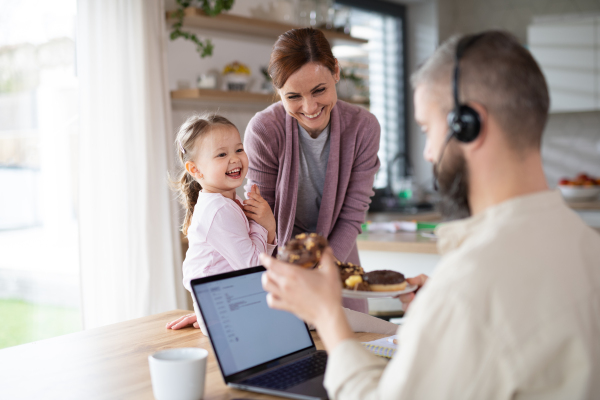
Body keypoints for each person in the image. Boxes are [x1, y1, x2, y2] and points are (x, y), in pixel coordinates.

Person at [260, 31, 600, 399]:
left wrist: (329, 318)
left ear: (469, 126)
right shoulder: (587, 247)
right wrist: (438, 322)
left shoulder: (466, 289)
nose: (427, 152)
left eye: (427, 129)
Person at [244, 27, 381, 313]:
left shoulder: (363, 127)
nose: (310, 107)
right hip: (281, 265)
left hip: (339, 261)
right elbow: (261, 217)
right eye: (293, 96)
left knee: (349, 350)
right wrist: (297, 271)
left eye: (319, 90)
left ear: (336, 72)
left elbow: (353, 214)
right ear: (277, 90)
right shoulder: (264, 131)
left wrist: (323, 269)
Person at [166, 114, 277, 333]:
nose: (235, 159)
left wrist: (267, 228)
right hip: (231, 320)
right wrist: (263, 225)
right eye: (221, 154)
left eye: (238, 149)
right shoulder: (219, 209)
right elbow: (254, 271)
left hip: (228, 313)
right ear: (195, 170)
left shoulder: (226, 203)